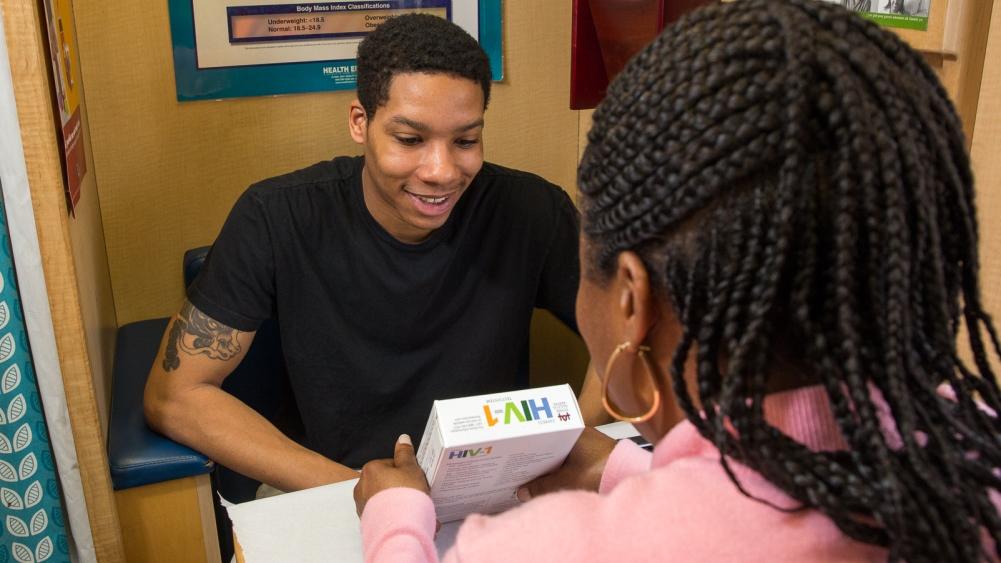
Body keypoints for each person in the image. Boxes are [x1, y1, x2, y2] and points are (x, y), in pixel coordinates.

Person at [352, 1, 1001, 561]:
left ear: (632, 301)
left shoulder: (548, 547)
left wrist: (396, 515)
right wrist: (627, 466)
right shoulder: (973, 450)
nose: (438, 170)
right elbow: (765, 492)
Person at [143, 14, 602, 494]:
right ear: (360, 122)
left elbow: (633, 332)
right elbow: (174, 396)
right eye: (410, 140)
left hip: (492, 488)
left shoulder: (531, 210)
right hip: (328, 487)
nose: (442, 171)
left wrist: (578, 446)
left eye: (465, 140)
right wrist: (356, 490)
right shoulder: (276, 216)